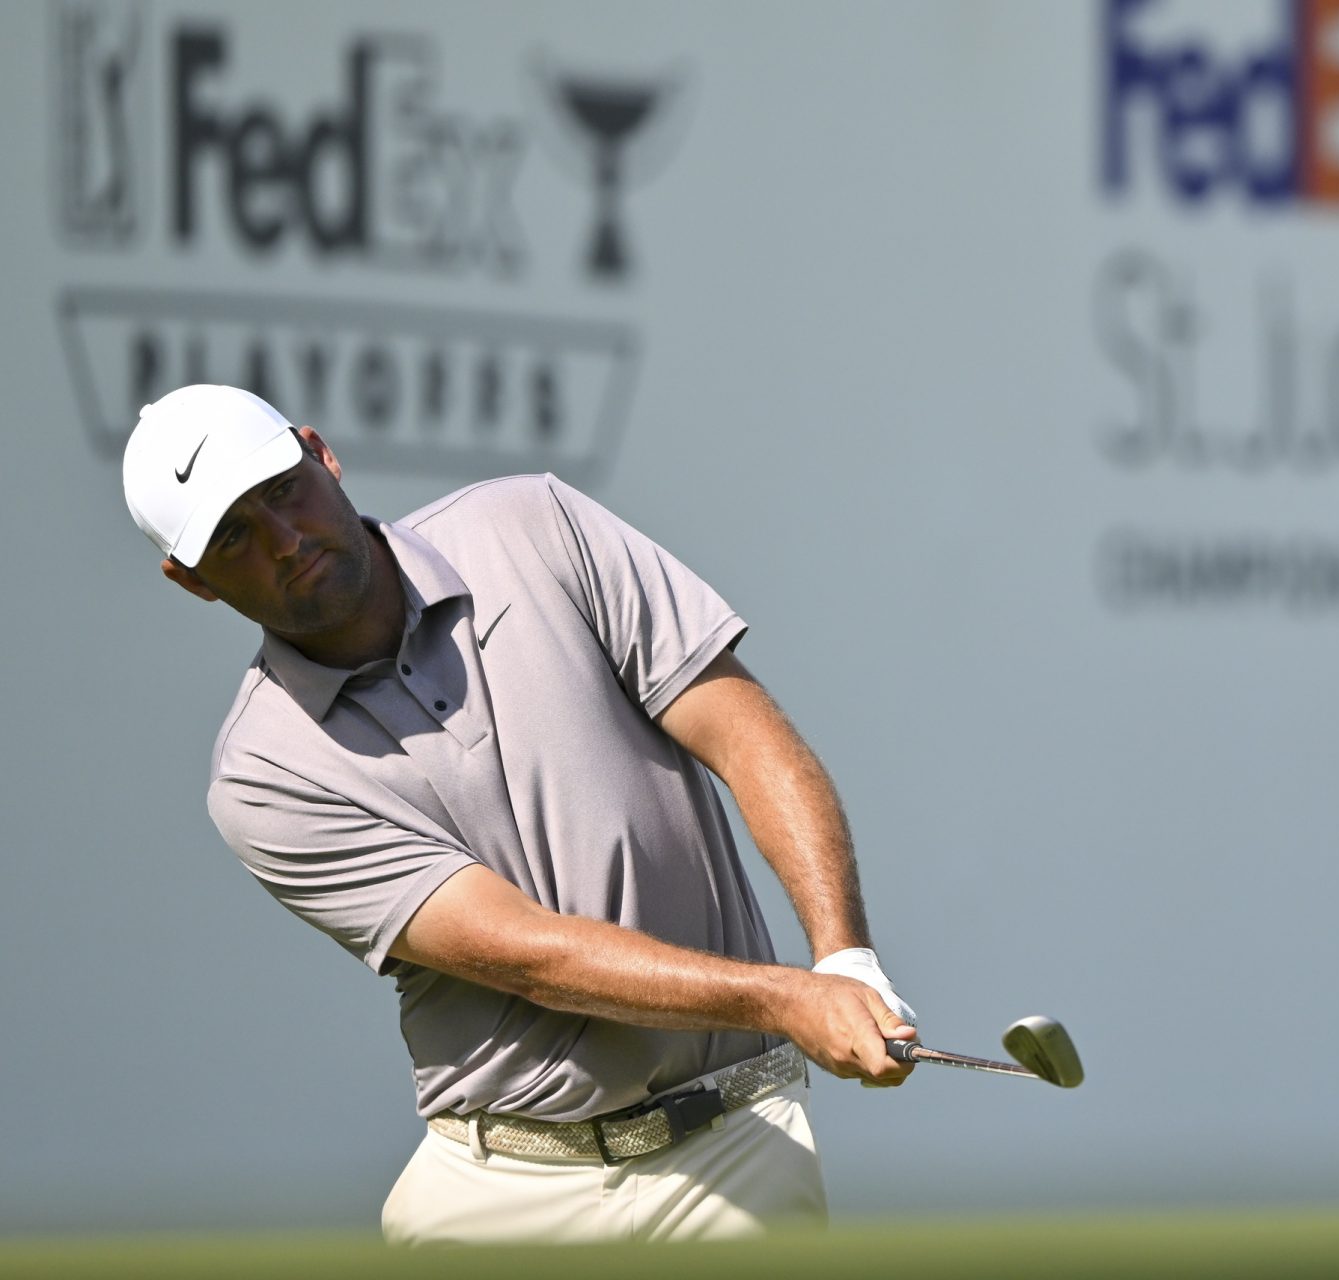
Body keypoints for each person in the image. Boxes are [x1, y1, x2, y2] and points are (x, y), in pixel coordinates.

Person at [120, 384, 919, 1245]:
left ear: (321, 454)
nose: (285, 540)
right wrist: (787, 997)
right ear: (191, 581)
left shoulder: (533, 525)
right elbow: (530, 953)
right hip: (504, 1193)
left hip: (735, 1146)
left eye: (283, 490)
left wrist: (846, 956)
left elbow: (744, 735)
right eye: (234, 536)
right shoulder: (263, 774)